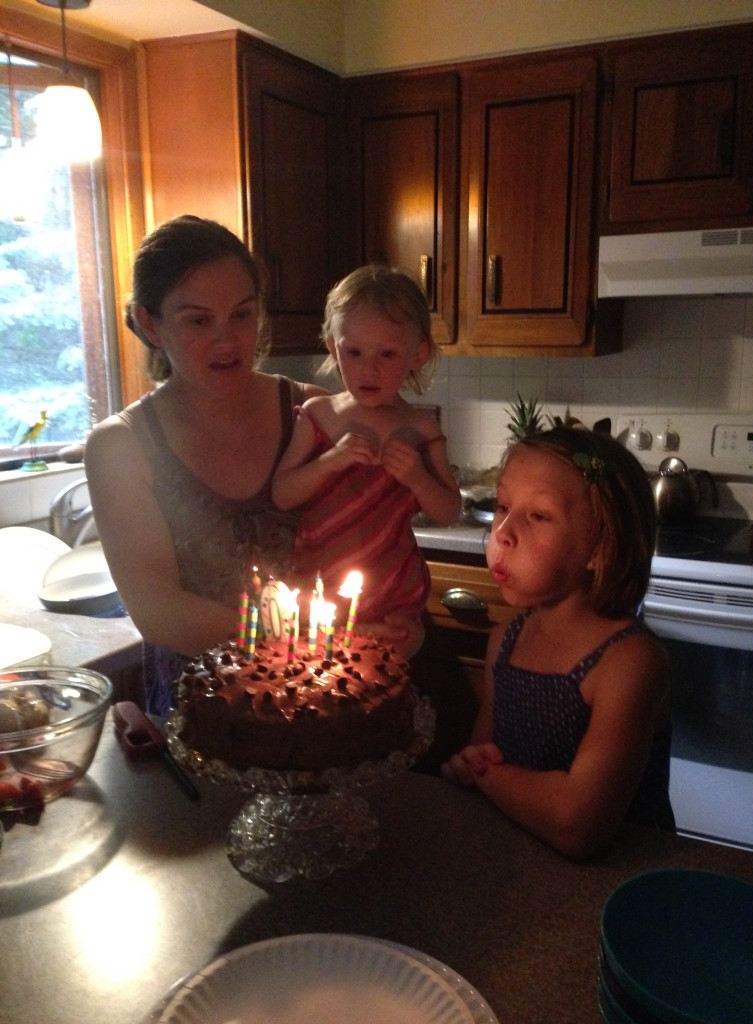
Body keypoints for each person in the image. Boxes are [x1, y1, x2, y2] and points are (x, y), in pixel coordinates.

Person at [84, 215, 328, 715]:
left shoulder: (314, 413)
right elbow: (159, 612)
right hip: (199, 712)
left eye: (242, 314)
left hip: (324, 699)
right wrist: (297, 640)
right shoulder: (122, 448)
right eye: (199, 320)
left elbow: (370, 542)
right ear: (150, 324)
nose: (228, 340)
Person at [442, 426, 675, 860]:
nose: (503, 534)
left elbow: (579, 825)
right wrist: (472, 771)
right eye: (503, 506)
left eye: (539, 516)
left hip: (613, 889)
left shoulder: (628, 663)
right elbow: (477, 757)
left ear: (600, 548)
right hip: (517, 869)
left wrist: (488, 777)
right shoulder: (504, 642)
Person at [271, 264, 461, 646]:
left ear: (419, 354)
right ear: (332, 347)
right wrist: (330, 462)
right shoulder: (319, 415)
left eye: (387, 354)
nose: (368, 368)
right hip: (321, 596)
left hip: (393, 600)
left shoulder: (423, 429)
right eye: (353, 352)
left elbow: (449, 511)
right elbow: (282, 494)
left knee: (381, 694)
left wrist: (418, 479)